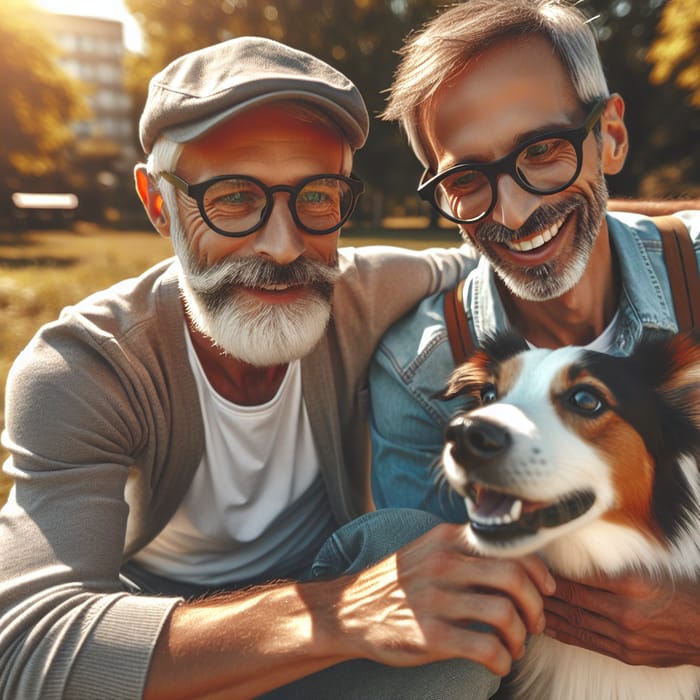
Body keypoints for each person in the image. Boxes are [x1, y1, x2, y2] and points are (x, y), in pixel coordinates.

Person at [0, 36, 559, 700]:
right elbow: (27, 644)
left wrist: (669, 228)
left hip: (328, 583)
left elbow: (500, 248)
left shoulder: (362, 289)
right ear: (158, 204)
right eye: (234, 197)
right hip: (164, 636)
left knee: (444, 602)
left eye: (318, 197)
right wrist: (334, 614)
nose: (284, 244)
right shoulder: (88, 365)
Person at [371, 0, 700, 692]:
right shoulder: (421, 367)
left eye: (542, 150)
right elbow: (435, 651)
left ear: (609, 135)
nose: (514, 213)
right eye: (467, 180)